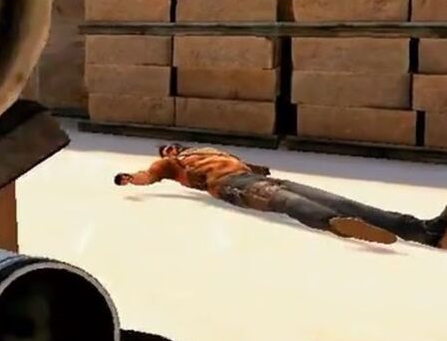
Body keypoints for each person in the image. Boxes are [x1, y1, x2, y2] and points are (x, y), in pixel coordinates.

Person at [114, 143, 446, 247]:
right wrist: (131, 180)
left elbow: (248, 165)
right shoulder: (170, 165)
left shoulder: (210, 150)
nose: (169, 150)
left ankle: (422, 230)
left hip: (249, 176)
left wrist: (261, 167)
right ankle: (334, 223)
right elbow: (149, 176)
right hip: (231, 186)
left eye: (171, 147)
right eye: (165, 150)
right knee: (287, 202)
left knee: (339, 198)